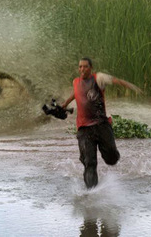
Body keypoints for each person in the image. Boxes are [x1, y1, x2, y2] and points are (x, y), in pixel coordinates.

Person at [61, 57, 142, 189]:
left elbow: (116, 81)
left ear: (91, 68)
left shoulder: (99, 78)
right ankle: (91, 192)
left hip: (101, 125)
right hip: (84, 129)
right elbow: (76, 93)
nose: (82, 69)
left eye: (85, 66)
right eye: (80, 67)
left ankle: (111, 157)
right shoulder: (76, 81)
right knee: (89, 163)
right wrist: (65, 103)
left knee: (112, 159)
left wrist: (132, 87)